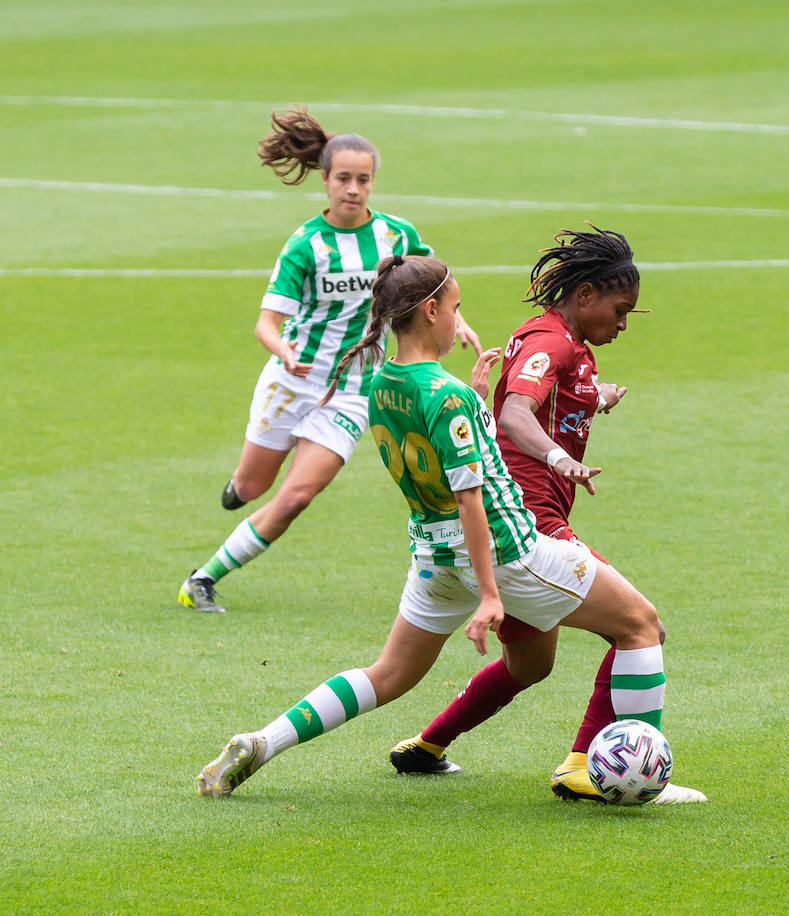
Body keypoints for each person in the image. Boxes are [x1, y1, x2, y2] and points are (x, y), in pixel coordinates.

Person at [196, 253, 689, 802]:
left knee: (384, 675)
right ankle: (647, 775)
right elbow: (472, 499)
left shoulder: (384, 384)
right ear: (430, 311)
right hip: (509, 552)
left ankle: (262, 741)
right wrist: (490, 593)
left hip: (432, 558)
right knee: (641, 625)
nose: (461, 321)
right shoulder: (446, 394)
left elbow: (447, 455)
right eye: (457, 308)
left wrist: (478, 403)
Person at [386, 227, 705, 804]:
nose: (624, 323)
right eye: (620, 309)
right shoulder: (550, 343)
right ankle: (609, 769)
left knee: (531, 663)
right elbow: (514, 415)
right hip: (531, 522)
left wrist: (593, 398)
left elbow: (540, 398)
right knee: (641, 626)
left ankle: (427, 745)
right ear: (585, 295)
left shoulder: (561, 342)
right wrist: (560, 457)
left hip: (520, 516)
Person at [177, 107, 479, 613]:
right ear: (325, 179)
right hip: (292, 380)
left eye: (363, 179)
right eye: (344, 179)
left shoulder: (397, 236)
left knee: (295, 498)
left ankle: (202, 580)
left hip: (353, 389)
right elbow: (266, 324)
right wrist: (283, 350)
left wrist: (459, 319)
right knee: (254, 487)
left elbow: (437, 283)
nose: (354, 189)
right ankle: (239, 485)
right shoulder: (305, 246)